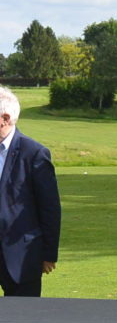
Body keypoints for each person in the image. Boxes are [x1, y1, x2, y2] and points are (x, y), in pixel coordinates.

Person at [0, 86, 60, 297]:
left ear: (5, 118)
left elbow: (50, 207)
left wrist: (49, 253)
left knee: (22, 322)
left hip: (21, 257)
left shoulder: (34, 153)